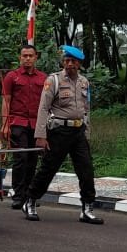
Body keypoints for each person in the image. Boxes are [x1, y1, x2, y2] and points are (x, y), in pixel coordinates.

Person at [23, 45, 102, 224]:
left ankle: (87, 208)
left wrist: (87, 132)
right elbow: (43, 108)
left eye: (73, 61)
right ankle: (31, 200)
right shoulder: (54, 80)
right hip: (59, 131)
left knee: (86, 170)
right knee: (49, 168)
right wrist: (40, 135)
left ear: (79, 64)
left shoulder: (84, 82)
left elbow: (86, 109)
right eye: (67, 60)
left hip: (78, 131)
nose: (69, 64)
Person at [0, 44, 47, 210]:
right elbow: (6, 101)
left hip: (36, 124)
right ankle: (18, 196)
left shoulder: (43, 78)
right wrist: (4, 125)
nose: (27, 58)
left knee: (33, 160)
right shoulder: (12, 77)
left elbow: (47, 103)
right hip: (17, 122)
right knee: (20, 159)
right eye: (24, 56)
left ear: (36, 58)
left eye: (30, 56)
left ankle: (29, 195)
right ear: (20, 57)